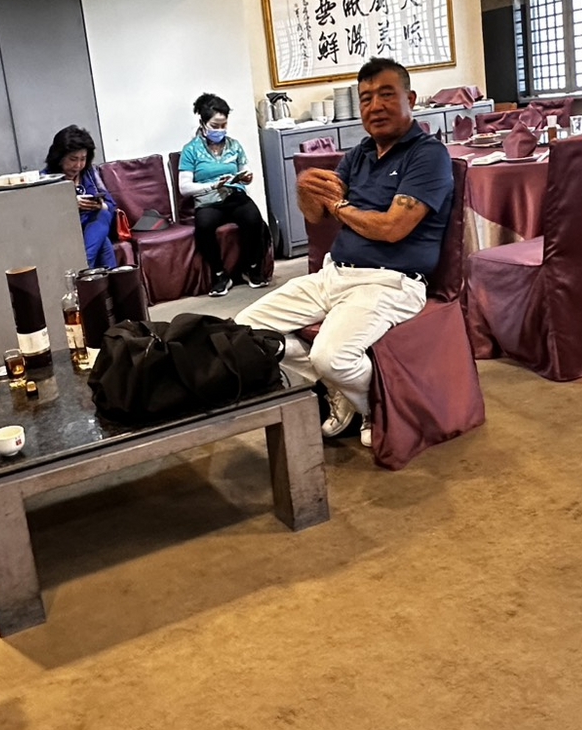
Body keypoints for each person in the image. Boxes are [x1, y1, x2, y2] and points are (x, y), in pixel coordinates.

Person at [236, 58, 453, 448]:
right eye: (366, 98)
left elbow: (392, 228)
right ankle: (339, 389)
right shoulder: (360, 154)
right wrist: (305, 190)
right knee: (245, 331)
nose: (375, 106)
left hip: (391, 282)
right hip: (333, 274)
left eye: (387, 95)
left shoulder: (427, 155)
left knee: (330, 356)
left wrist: (338, 207)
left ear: (410, 99)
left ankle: (375, 407)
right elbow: (316, 214)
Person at [178, 92, 269, 296]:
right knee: (204, 226)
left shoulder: (234, 145)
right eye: (215, 126)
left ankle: (252, 268)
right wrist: (211, 186)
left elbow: (244, 169)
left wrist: (246, 177)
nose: (220, 130)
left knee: (254, 218)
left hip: (234, 195)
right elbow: (184, 187)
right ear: (203, 123)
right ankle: (220, 275)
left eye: (224, 125)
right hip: (208, 201)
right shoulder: (191, 150)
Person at [44, 125, 118, 269]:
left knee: (103, 214)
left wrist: (99, 204)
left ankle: (84, 268)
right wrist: (69, 204)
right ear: (59, 157)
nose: (78, 165)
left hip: (95, 226)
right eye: (73, 159)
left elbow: (111, 206)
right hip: (67, 231)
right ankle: (88, 269)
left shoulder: (89, 173)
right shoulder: (46, 178)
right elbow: (43, 215)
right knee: (104, 243)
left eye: (83, 159)